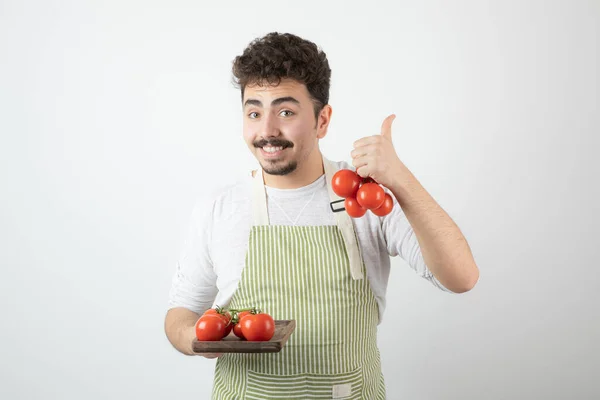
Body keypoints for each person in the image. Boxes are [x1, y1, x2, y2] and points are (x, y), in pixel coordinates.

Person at [164, 32, 479, 399]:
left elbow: (462, 277)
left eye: (285, 111)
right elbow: (180, 313)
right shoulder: (219, 208)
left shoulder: (364, 196)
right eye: (254, 112)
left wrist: (401, 180)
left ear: (322, 120)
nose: (267, 131)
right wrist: (197, 338)